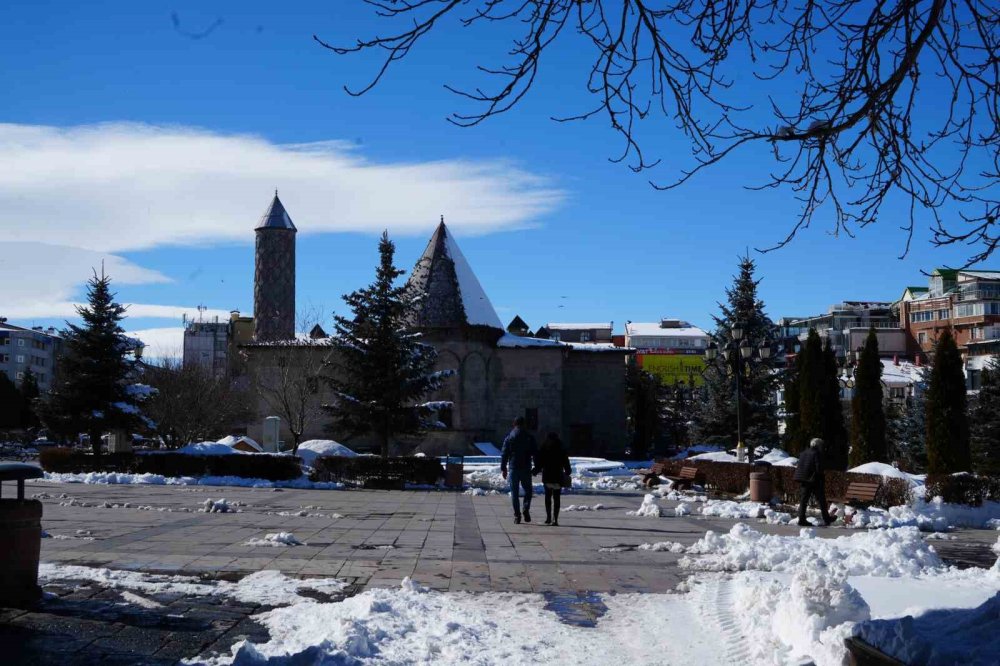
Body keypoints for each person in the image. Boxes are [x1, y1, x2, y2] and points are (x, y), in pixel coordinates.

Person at [500, 416, 538, 524]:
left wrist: (503, 468)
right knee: (528, 491)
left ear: (514, 424)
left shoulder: (509, 437)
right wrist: (536, 467)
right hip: (526, 467)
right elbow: (535, 453)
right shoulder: (529, 437)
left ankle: (517, 515)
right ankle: (526, 509)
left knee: (514, 493)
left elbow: (504, 453)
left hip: (513, 467)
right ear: (524, 424)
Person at [533, 432, 571, 526]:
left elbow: (539, 462)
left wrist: (535, 471)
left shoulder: (544, 447)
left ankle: (548, 518)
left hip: (547, 476)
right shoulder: (561, 448)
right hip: (557, 477)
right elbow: (566, 462)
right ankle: (555, 519)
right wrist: (567, 471)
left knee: (548, 497)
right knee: (557, 498)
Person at [794, 437, 833, 526]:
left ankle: (801, 519)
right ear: (818, 445)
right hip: (813, 480)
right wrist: (821, 477)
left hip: (804, 479)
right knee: (821, 500)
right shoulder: (816, 453)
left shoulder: (804, 452)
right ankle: (827, 519)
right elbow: (818, 467)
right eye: (821, 445)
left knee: (803, 500)